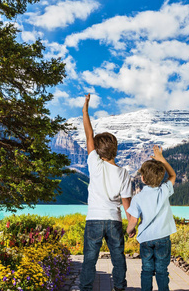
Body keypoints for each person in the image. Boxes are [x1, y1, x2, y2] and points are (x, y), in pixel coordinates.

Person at [80, 94, 133, 291]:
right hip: (114, 221)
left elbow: (88, 134)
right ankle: (119, 288)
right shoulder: (123, 173)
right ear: (115, 150)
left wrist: (85, 110)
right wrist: (132, 225)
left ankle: (85, 289)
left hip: (93, 219)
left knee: (89, 260)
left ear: (98, 151)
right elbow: (127, 204)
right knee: (118, 259)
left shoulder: (94, 164)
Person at [126, 145, 177, 291]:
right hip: (163, 238)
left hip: (146, 240)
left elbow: (133, 221)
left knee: (146, 270)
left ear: (142, 178)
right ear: (161, 177)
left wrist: (129, 230)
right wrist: (162, 159)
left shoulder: (138, 198)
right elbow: (172, 176)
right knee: (162, 270)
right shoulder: (164, 190)